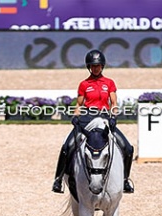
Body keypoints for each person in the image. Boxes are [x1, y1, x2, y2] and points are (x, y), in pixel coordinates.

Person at [52, 49, 134, 194]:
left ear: (102, 66)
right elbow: (79, 105)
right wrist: (75, 117)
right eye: (93, 66)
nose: (95, 68)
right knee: (67, 147)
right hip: (87, 119)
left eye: (98, 65)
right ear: (89, 67)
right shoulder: (84, 84)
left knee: (127, 148)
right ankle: (58, 180)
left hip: (104, 119)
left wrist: (114, 117)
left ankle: (125, 180)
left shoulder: (109, 83)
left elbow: (114, 103)